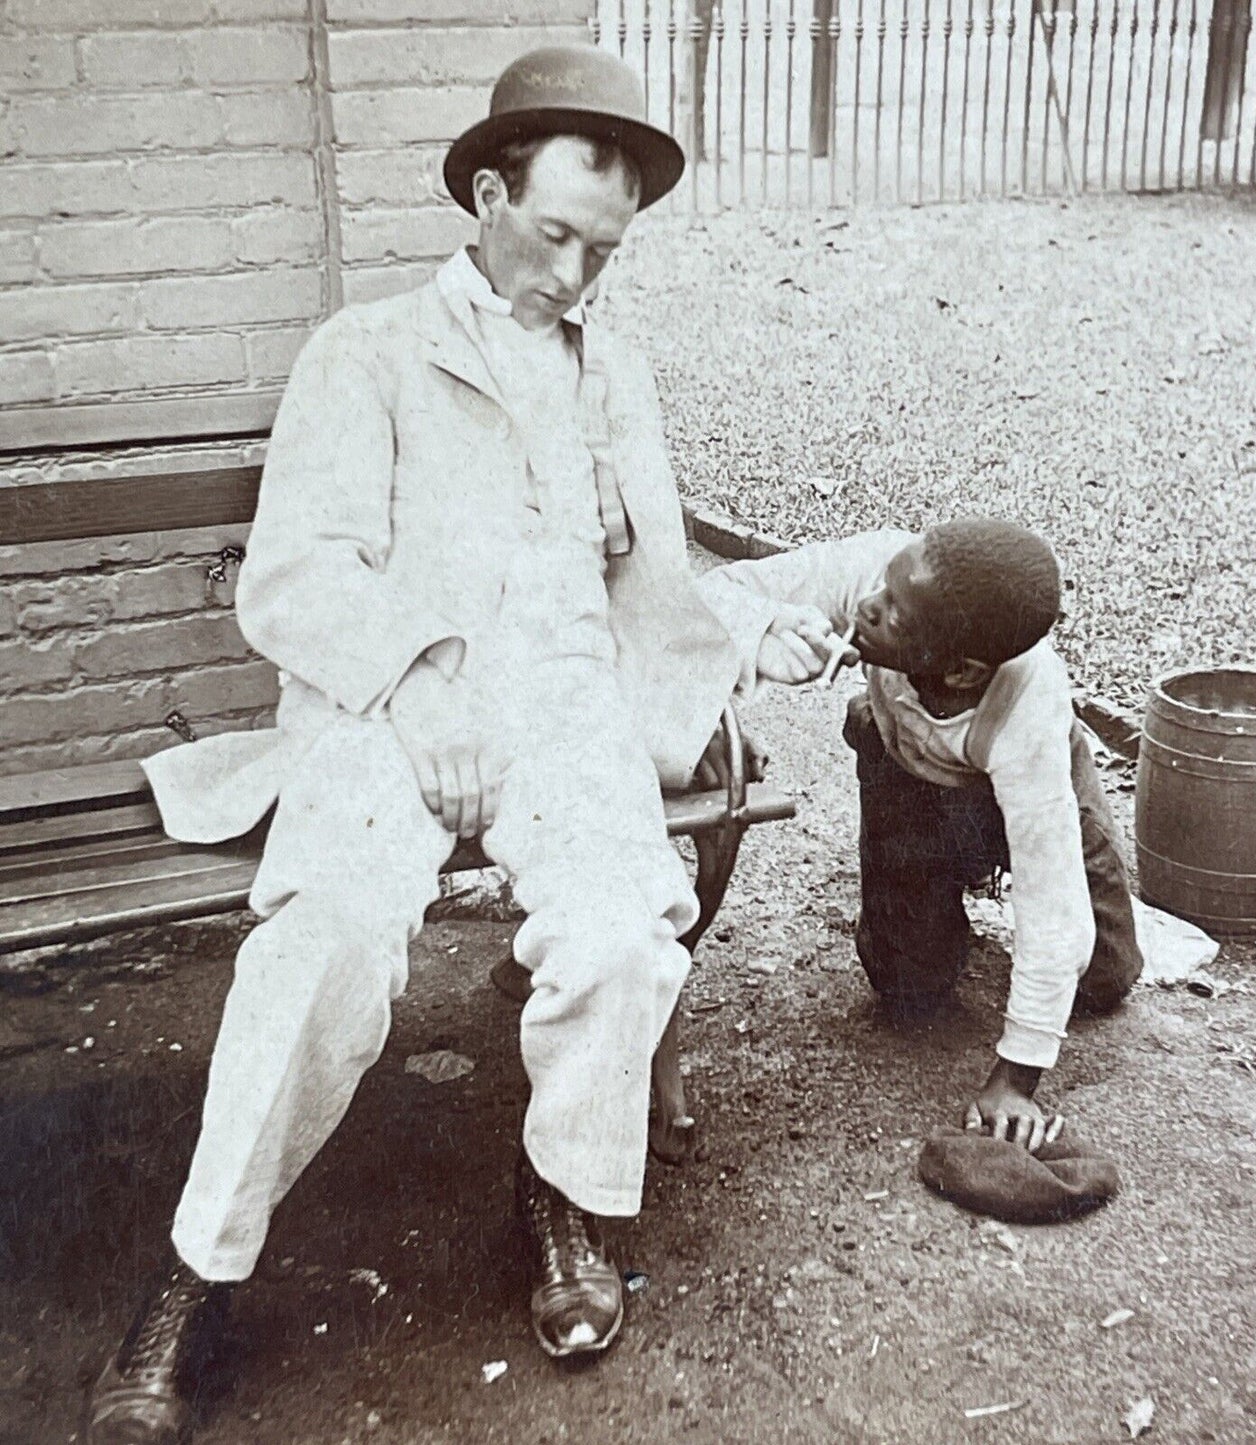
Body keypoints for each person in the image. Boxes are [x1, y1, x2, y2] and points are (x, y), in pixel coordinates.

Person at [85, 45, 816, 1445]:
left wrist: (743, 625)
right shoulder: (365, 352)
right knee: (325, 943)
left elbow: (651, 586)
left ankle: (558, 1199)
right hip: (386, 712)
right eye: (555, 237)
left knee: (620, 927)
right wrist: (421, 684)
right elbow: (293, 579)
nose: (578, 278)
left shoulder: (613, 371)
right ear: (488, 193)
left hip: (561, 717)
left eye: (605, 252)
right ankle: (197, 1271)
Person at [699, 519, 1144, 1150]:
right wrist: (762, 633)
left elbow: (1053, 903)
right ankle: (940, 882)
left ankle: (983, 866)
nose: (868, 606)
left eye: (896, 618)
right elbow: (714, 592)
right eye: (883, 586)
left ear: (961, 673)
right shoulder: (892, 572)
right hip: (908, 766)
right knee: (908, 990)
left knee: (1105, 975)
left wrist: (1016, 1079)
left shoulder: (1027, 713)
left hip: (1016, 779)